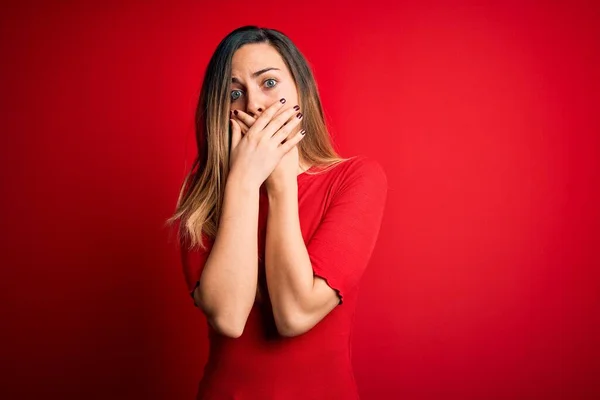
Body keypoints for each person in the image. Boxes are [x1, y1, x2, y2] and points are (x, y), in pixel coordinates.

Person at [169, 25, 388, 400]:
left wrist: (281, 184)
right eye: (234, 93)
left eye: (268, 83)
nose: (253, 104)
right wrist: (242, 182)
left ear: (299, 89)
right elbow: (228, 316)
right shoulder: (203, 193)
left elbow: (294, 315)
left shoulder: (355, 178)